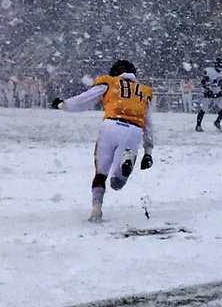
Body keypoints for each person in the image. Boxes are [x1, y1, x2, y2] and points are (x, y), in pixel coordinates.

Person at [51, 60, 156, 222]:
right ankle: (124, 166)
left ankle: (96, 208)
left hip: (111, 125)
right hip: (134, 130)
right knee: (117, 183)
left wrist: (63, 105)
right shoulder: (144, 91)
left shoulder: (109, 82)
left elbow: (84, 100)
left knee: (100, 174)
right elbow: (149, 123)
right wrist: (148, 151)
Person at [195, 58, 222, 132]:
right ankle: (198, 125)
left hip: (218, 92)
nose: (220, 67)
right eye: (220, 65)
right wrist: (208, 89)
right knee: (203, 109)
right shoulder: (210, 71)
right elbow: (204, 82)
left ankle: (217, 122)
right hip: (209, 92)